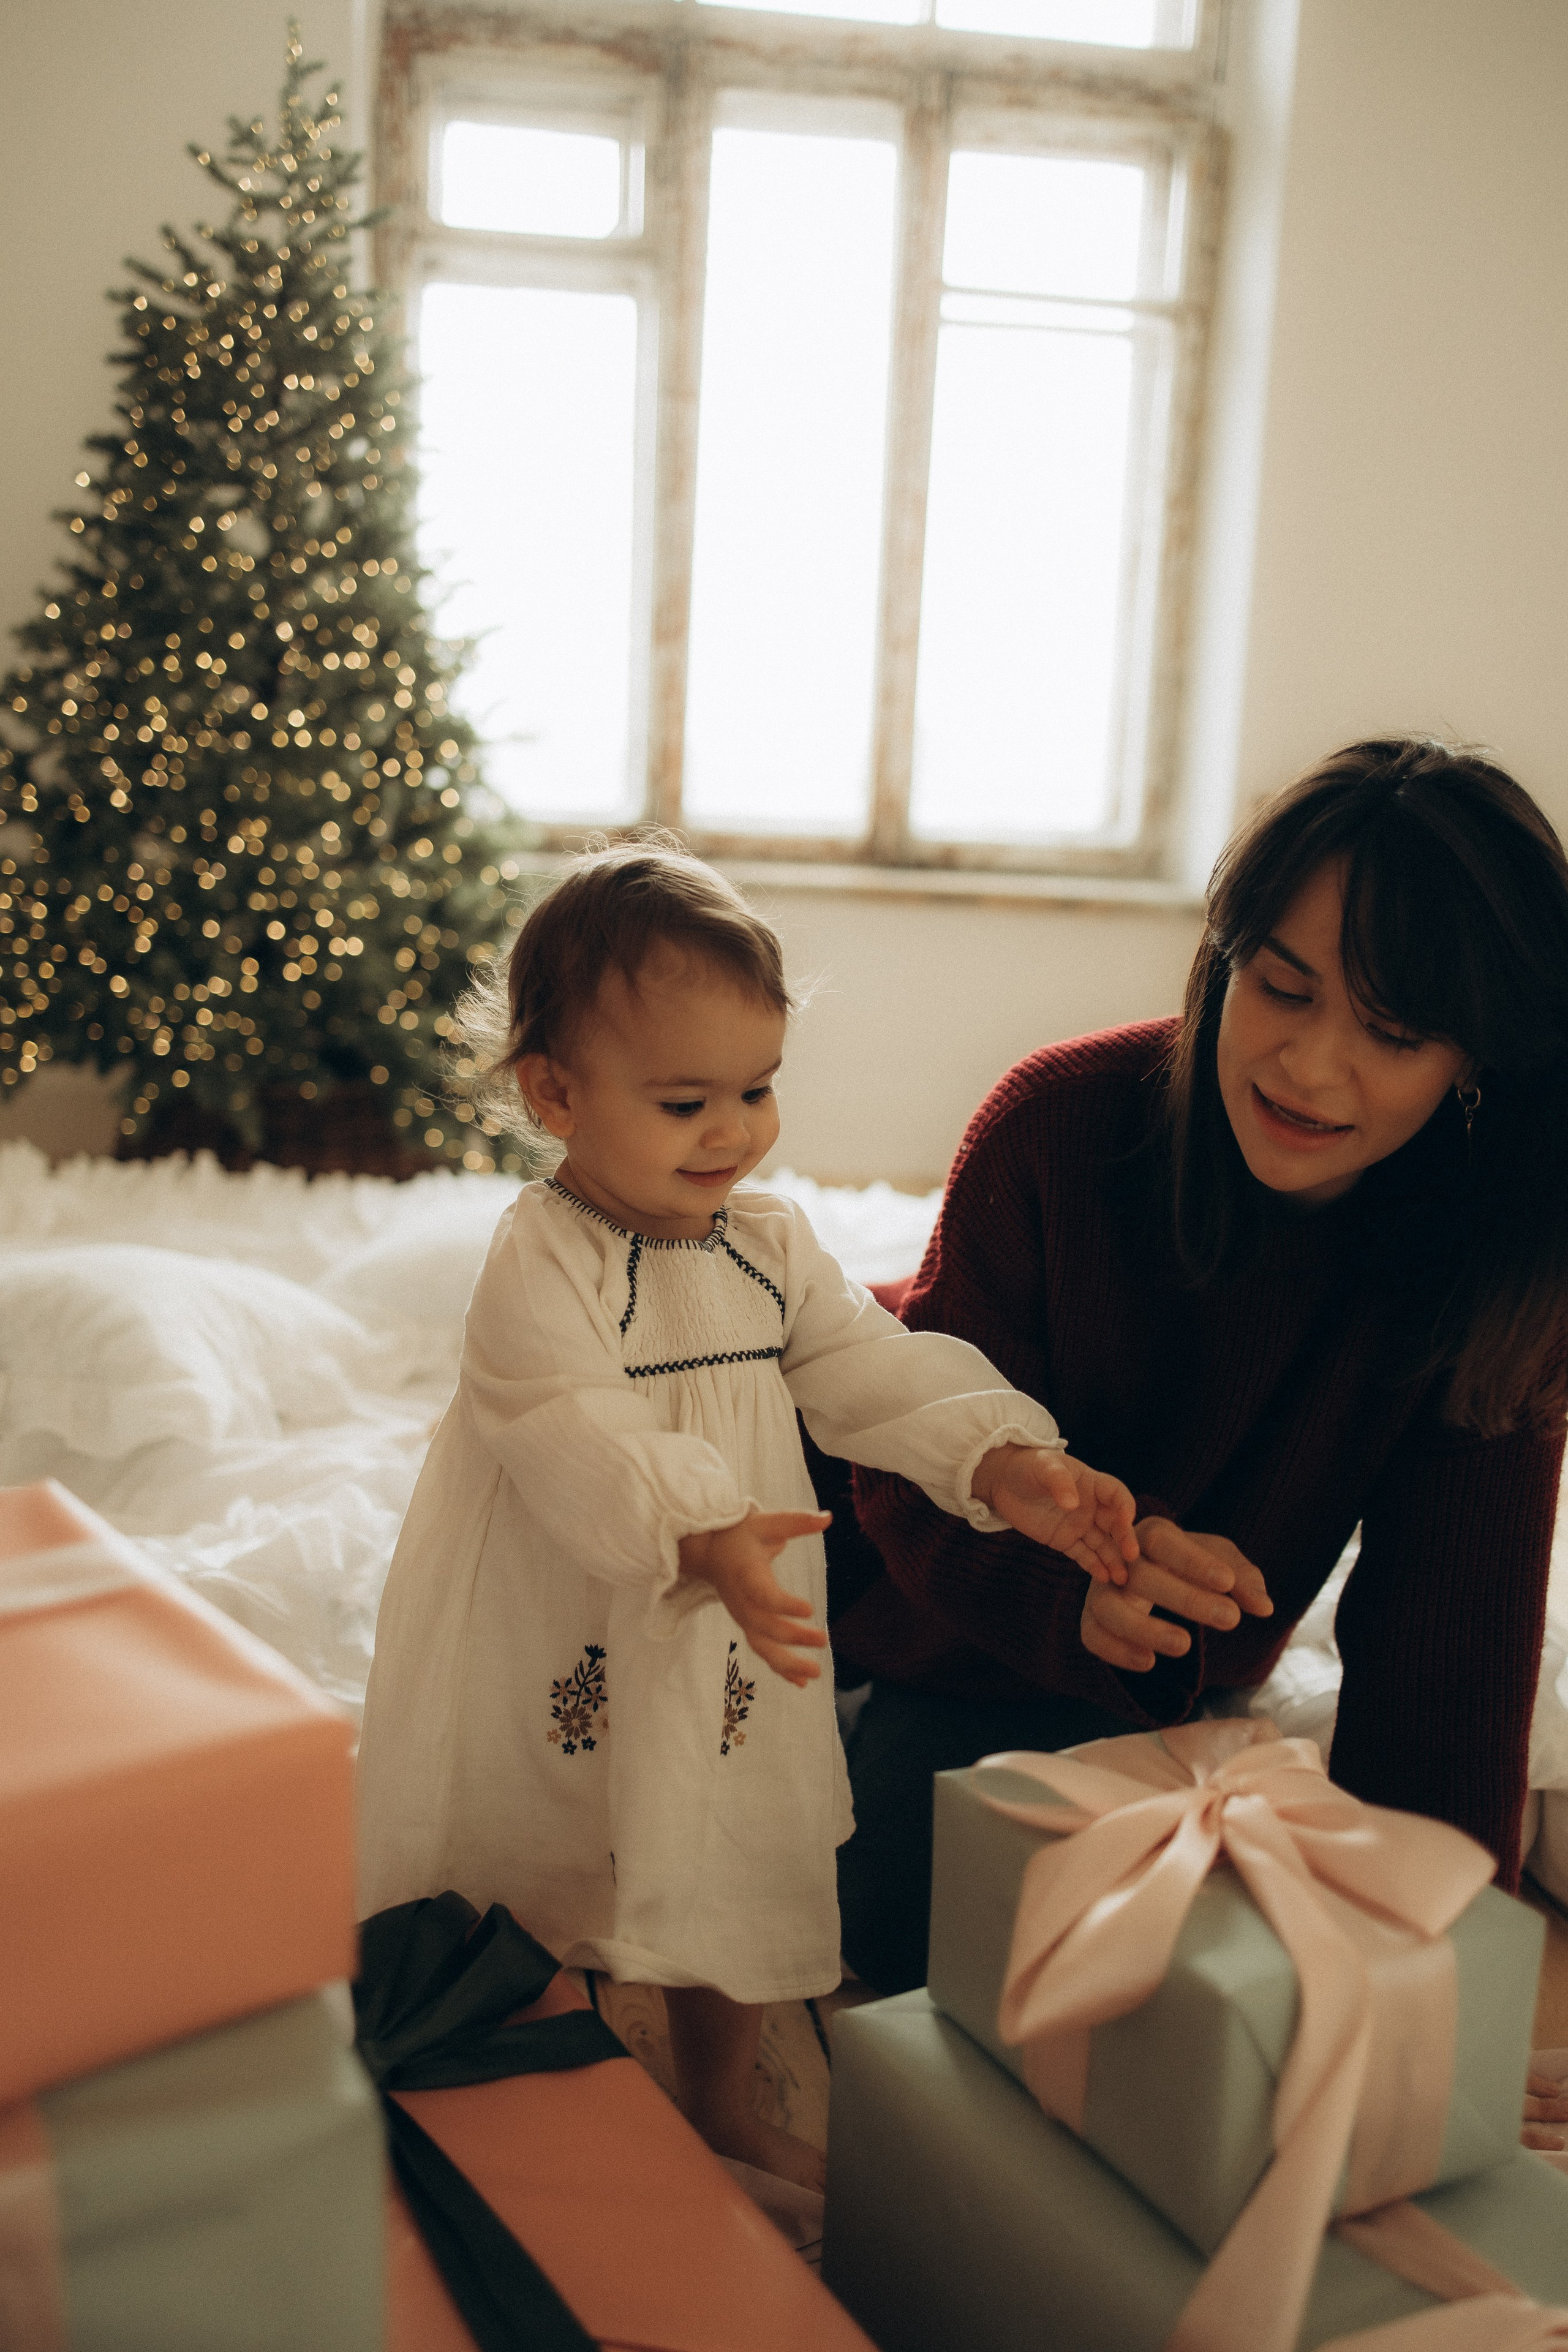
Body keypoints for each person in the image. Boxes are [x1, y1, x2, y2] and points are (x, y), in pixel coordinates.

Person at [356, 841, 1138, 2191]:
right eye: (682, 1102)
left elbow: (863, 1366)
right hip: (579, 1607)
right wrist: (693, 1527)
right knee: (560, 1843)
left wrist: (997, 1458)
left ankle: (718, 2099)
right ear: (554, 1093)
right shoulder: (540, 1257)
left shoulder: (765, 1246)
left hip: (739, 1621)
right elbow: (560, 1422)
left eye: (757, 1090)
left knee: (724, 1844)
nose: (732, 1132)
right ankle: (550, 2087)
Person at [831, 736, 1568, 1997]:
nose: (1306, 1065)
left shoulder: (1490, 1262)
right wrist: (1078, 1590)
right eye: (1280, 988)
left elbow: (1446, 1669)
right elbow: (903, 1479)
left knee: (1257, 1989)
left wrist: (1451, 1997)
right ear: (1223, 954)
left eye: (1390, 1033)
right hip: (933, 1606)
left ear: (1473, 1065)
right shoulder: (1052, 1127)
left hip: (1167, 1677)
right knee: (918, 1934)